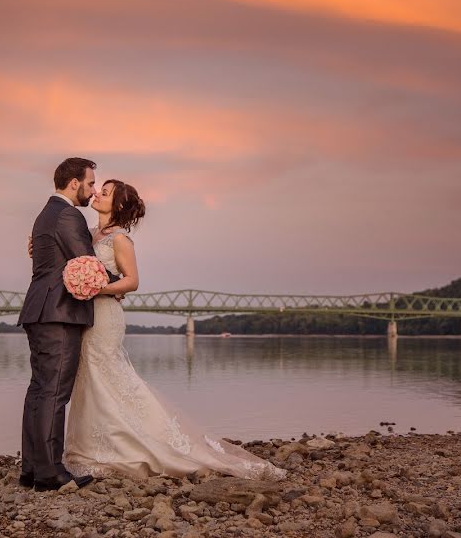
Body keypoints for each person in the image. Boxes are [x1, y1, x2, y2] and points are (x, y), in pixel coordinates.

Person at [62, 179, 285, 480]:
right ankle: (89, 446)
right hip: (86, 315)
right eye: (99, 189)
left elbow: (132, 281)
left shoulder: (120, 240)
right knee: (87, 374)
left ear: (118, 206)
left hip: (105, 316)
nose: (97, 194)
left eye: (105, 193)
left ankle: (131, 446)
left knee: (108, 373)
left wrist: (97, 288)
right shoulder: (87, 235)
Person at [16, 157, 99, 491]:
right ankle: (51, 472)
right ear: (74, 183)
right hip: (59, 313)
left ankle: (33, 469)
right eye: (91, 183)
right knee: (54, 391)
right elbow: (87, 262)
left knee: (39, 389)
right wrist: (116, 281)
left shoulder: (44, 214)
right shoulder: (68, 214)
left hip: (39, 310)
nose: (93, 191)